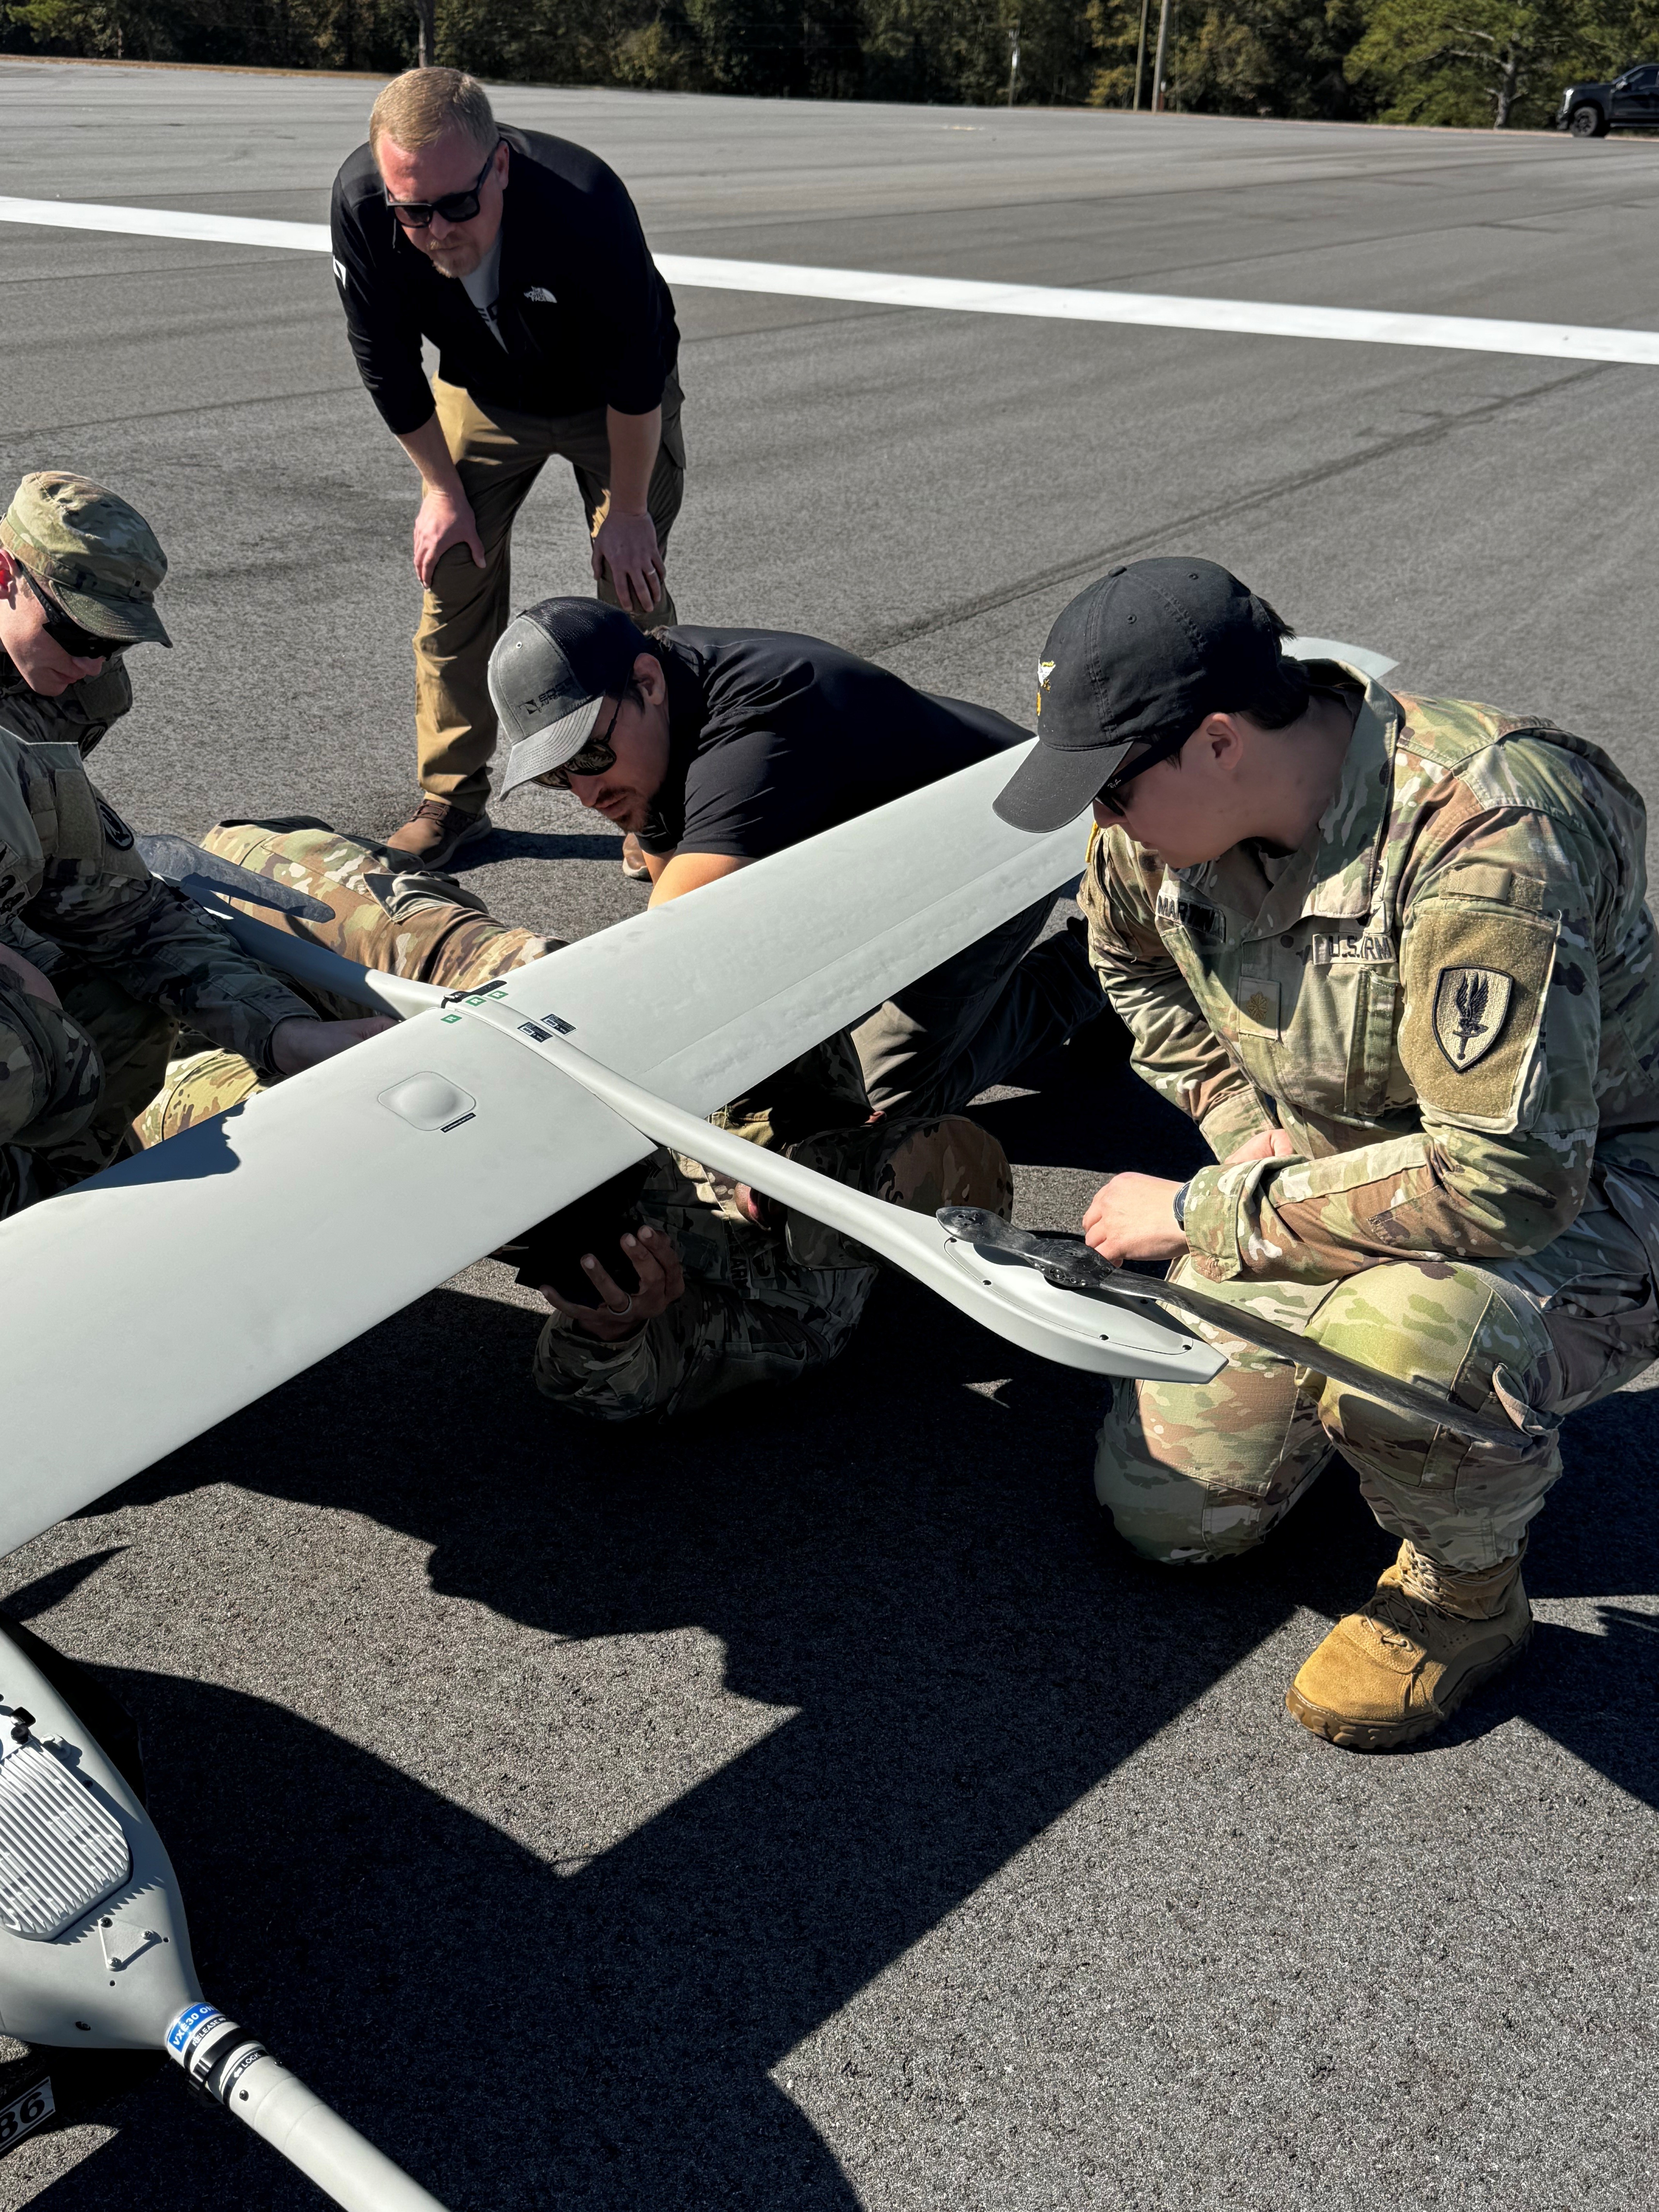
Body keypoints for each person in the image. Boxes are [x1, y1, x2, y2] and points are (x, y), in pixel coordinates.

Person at [993, 556, 1659, 1752]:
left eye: (1111, 788)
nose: (1101, 820)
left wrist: (1215, 1216)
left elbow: (1501, 1179)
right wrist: (1259, 1148)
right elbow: (1134, 972)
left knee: (1396, 1344)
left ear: (1216, 741)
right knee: (1174, 1519)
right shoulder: (1153, 832)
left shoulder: (1491, 833)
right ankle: (1378, 1408)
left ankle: (1465, 1590)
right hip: (1351, 1168)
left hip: (1594, 1190)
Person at [140, 818, 1013, 1423]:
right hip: (542, 1033)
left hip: (475, 1148)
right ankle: (191, 876)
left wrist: (614, 1324)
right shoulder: (814, 1093)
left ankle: (122, 1044)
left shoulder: (796, 1321)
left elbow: (609, 1391)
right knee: (355, 910)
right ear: (865, 1127)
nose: (781, 1187)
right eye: (832, 1164)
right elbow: (718, 951)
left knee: (222, 1123)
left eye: (818, 1208)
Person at [488, 598, 1116, 1121]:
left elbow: (667, 949)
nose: (585, 793)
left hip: (990, 839)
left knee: (881, 1099)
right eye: (556, 777)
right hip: (867, 857)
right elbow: (690, 924)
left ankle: (1094, 970)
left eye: (589, 757)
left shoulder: (754, 725)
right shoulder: (642, 722)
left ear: (647, 684)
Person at [330, 67, 685, 870]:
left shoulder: (585, 202)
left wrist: (627, 513)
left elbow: (636, 377)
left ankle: (657, 803)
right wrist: (439, 487)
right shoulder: (362, 205)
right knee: (452, 570)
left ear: (499, 167)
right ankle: (453, 801)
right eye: (412, 211)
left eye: (458, 204)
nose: (436, 229)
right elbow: (385, 362)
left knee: (632, 591)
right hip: (485, 392)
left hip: (612, 403)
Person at [0, 733, 386, 1220]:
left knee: (111, 1003)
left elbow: (133, 925)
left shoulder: (15, 785)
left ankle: (52, 1207)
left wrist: (285, 1032)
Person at [0, 471, 170, 757]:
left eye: (115, 642)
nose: (92, 667)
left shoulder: (92, 694)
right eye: (78, 636)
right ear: (4, 576)